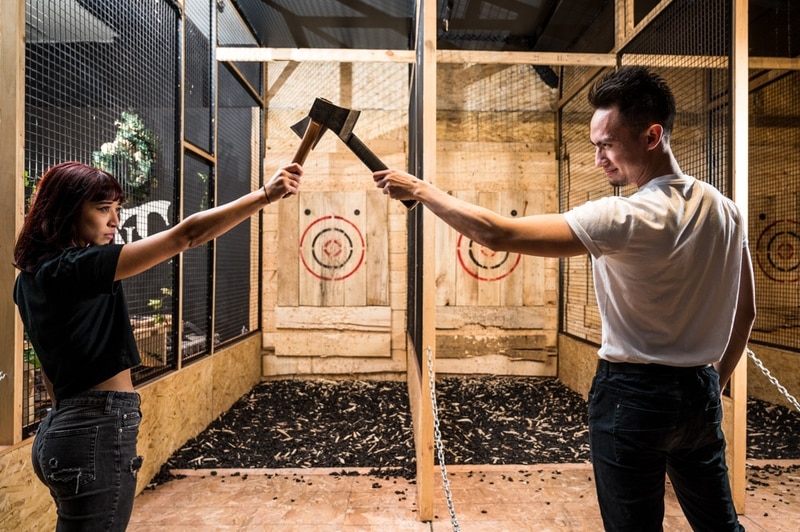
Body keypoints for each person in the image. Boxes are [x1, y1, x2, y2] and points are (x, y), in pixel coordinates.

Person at [373, 65, 755, 531]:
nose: (598, 160)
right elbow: (746, 311)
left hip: (632, 395)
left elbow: (498, 234)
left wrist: (421, 190)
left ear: (652, 135)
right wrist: (715, 382)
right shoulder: (726, 209)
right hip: (699, 391)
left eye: (606, 145)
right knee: (722, 527)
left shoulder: (624, 216)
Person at [14, 160, 302, 530]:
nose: (115, 221)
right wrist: (264, 195)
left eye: (116, 210)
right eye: (103, 210)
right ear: (66, 210)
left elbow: (51, 372)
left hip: (58, 430)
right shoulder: (76, 267)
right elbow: (186, 236)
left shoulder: (30, 278)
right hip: (94, 430)